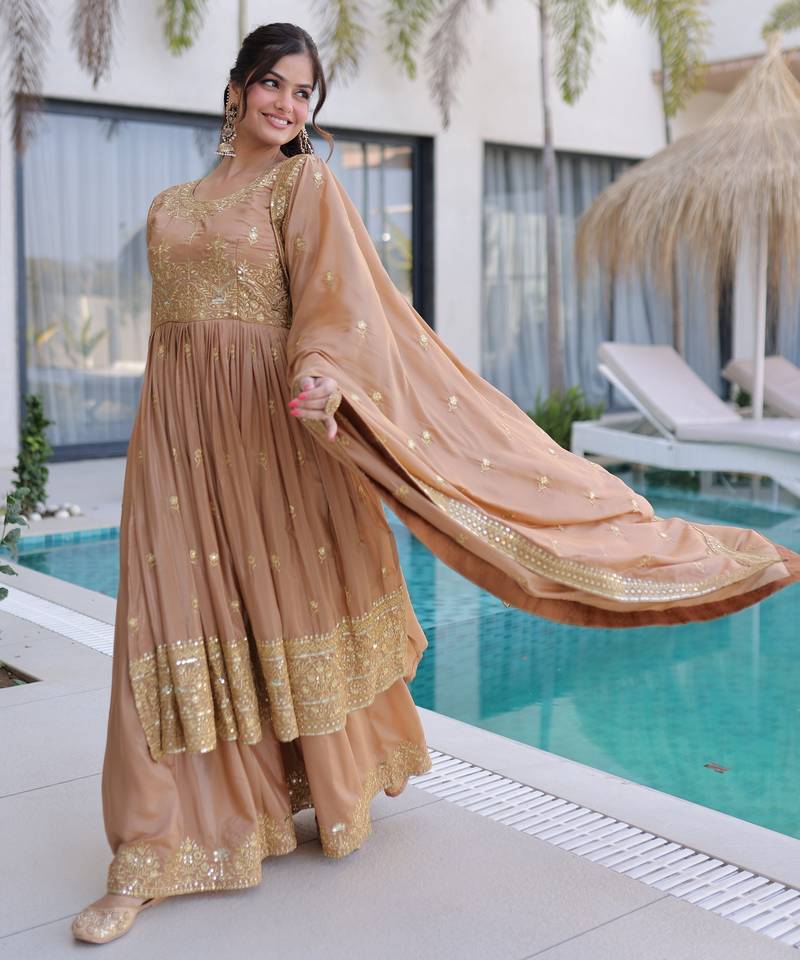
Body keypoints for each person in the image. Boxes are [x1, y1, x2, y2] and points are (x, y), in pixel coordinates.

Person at [71, 21, 800, 945]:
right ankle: (149, 850)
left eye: (304, 93)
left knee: (274, 606)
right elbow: (172, 338)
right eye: (273, 84)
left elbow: (335, 303)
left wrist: (323, 375)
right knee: (172, 620)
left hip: (271, 435)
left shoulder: (303, 184)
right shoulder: (168, 205)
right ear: (237, 86)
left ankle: (269, 800)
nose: (288, 105)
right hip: (178, 441)